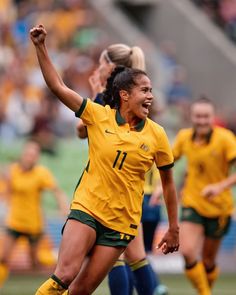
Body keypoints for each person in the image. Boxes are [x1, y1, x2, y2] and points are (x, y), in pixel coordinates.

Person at [30, 24, 179, 295]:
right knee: (64, 275)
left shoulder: (157, 134)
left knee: (81, 290)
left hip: (122, 222)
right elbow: (57, 86)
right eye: (144, 90)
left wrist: (174, 228)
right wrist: (40, 47)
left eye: (150, 90)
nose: (151, 96)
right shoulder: (99, 114)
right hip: (88, 207)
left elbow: (168, 183)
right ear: (124, 95)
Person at [77, 43, 168, 295]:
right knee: (135, 256)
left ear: (111, 66)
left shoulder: (112, 98)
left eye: (101, 62)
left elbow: (81, 131)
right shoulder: (133, 94)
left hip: (113, 189)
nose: (98, 67)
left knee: (122, 257)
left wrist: (95, 93)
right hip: (132, 189)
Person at [172, 96, 236, 295]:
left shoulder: (225, 139)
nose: (201, 121)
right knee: (188, 251)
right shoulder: (184, 137)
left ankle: (205, 289)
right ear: (191, 117)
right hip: (192, 201)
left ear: (212, 117)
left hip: (219, 207)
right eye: (198, 116)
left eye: (205, 116)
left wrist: (219, 186)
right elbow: (167, 162)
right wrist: (160, 186)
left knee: (208, 261)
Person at [0, 140, 69, 289]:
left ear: (37, 157)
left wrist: (63, 207)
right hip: (15, 222)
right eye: (28, 154)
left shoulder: (41, 173)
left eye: (34, 155)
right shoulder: (12, 171)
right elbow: (6, 193)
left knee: (35, 263)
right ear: (23, 155)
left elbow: (56, 191)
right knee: (3, 257)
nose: (31, 157)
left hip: (34, 225)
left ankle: (57, 284)